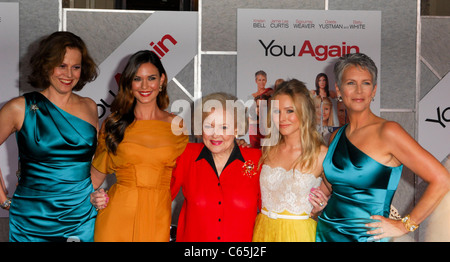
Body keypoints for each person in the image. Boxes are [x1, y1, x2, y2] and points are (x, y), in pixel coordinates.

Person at [316, 53, 450, 242]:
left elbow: (442, 179)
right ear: (338, 90)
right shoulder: (336, 136)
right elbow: (333, 185)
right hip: (326, 233)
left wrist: (405, 225)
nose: (359, 90)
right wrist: (318, 201)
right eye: (351, 83)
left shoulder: (388, 132)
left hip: (367, 238)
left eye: (366, 83)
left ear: (374, 90)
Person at [0, 31, 99, 241]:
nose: (69, 74)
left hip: (80, 218)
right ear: (46, 66)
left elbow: (96, 163)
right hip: (31, 220)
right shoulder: (19, 107)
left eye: (76, 67)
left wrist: (96, 193)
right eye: (61, 65)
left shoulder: (90, 107)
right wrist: (3, 200)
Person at [89, 50, 188, 241]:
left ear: (162, 80)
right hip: (117, 217)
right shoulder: (113, 124)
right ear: (129, 83)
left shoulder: (177, 126)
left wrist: (237, 146)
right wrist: (92, 197)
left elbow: (193, 167)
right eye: (137, 78)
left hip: (158, 215)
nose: (144, 86)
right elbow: (94, 178)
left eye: (151, 78)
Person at [170, 92, 262, 242]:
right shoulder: (186, 155)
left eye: (224, 127)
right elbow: (159, 196)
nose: (215, 134)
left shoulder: (256, 159)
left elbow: (272, 210)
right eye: (209, 126)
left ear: (237, 129)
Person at [252, 79, 329, 242]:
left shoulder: (322, 154)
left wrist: (322, 208)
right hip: (263, 233)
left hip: (300, 235)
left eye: (289, 111)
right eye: (276, 111)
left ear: (304, 112)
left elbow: (343, 196)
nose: (282, 118)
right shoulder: (267, 149)